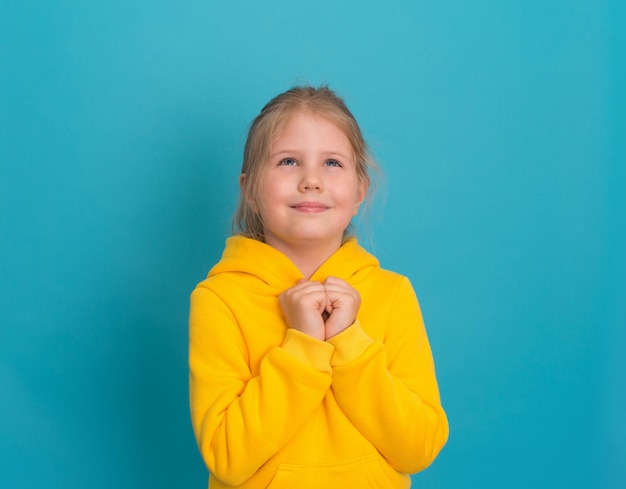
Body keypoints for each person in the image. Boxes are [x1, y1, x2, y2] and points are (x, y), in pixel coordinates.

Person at [189, 86, 448, 489]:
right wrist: (303, 349)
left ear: (359, 191)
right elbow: (227, 456)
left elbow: (419, 448)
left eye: (332, 162)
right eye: (288, 161)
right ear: (250, 189)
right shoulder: (219, 299)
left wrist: (350, 344)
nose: (311, 180)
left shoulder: (393, 294)